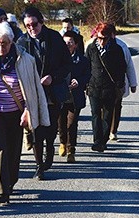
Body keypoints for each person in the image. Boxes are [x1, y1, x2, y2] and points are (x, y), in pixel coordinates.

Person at [0, 22, 49, 205]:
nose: (1, 48)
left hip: (17, 113)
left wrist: (27, 110)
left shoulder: (25, 60)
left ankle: (10, 182)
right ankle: (2, 190)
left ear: (12, 42)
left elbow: (32, 89)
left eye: (5, 43)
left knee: (13, 150)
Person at [16, 6, 71, 180]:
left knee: (51, 127)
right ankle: (39, 166)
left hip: (52, 91)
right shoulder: (21, 42)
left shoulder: (54, 38)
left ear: (41, 22)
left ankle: (50, 148)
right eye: (27, 25)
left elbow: (67, 64)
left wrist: (53, 77)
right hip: (32, 93)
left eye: (34, 24)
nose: (31, 28)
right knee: (36, 129)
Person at [85, 22, 126, 153]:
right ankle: (97, 141)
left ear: (110, 37)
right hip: (94, 87)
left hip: (110, 88)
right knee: (95, 114)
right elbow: (86, 67)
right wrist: (86, 83)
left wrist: (120, 84)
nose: (102, 41)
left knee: (108, 115)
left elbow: (122, 68)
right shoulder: (91, 48)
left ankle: (103, 140)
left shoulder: (117, 49)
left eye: (105, 38)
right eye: (100, 38)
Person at [58, 30, 90, 164]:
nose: (67, 45)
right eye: (65, 43)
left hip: (75, 97)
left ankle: (71, 150)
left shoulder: (82, 60)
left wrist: (79, 81)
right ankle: (62, 143)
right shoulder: (57, 59)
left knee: (72, 123)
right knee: (61, 123)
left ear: (76, 45)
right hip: (60, 95)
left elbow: (87, 75)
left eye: (70, 42)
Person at [110, 30, 138, 141]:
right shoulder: (94, 44)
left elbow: (129, 65)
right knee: (103, 108)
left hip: (118, 83)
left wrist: (133, 83)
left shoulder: (121, 45)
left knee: (116, 106)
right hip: (100, 84)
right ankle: (104, 129)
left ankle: (113, 130)